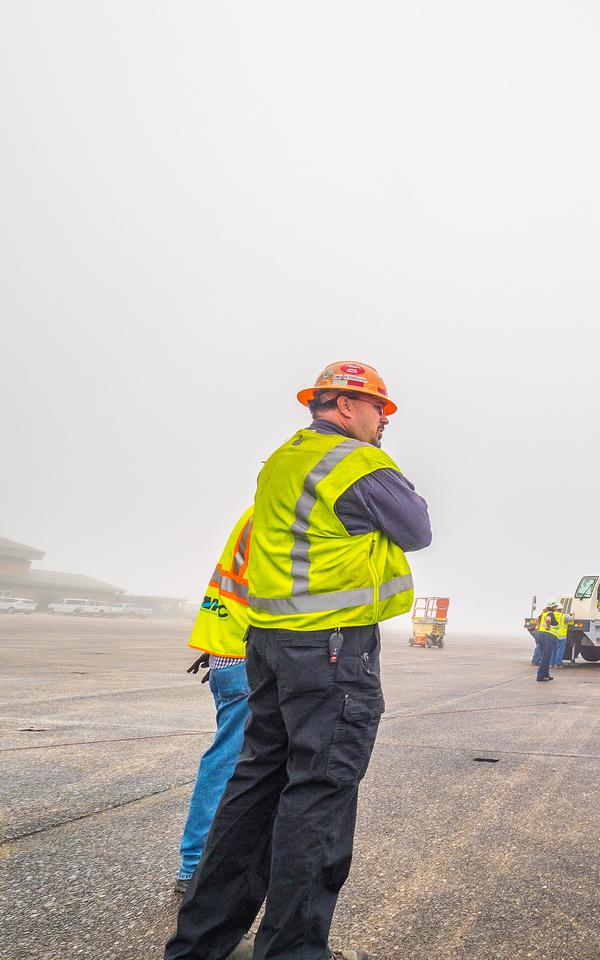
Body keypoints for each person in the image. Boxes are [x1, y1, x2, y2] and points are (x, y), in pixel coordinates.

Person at [166, 361, 432, 960]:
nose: (384, 421)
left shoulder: (281, 462)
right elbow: (416, 528)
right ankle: (292, 952)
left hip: (268, 645)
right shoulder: (356, 463)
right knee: (321, 794)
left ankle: (199, 943)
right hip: (332, 652)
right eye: (377, 409)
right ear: (343, 406)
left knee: (254, 787)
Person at [175, 507, 254, 896]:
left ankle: (198, 863)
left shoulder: (252, 515)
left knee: (229, 759)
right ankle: (194, 866)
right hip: (245, 658)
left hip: (226, 654)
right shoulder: (277, 516)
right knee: (229, 762)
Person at [534, 601, 564, 681]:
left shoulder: (544, 613)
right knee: (546, 657)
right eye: (555, 606)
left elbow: (537, 619)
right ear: (552, 607)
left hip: (540, 635)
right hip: (548, 636)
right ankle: (540, 677)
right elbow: (548, 619)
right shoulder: (550, 614)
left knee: (546, 656)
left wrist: (538, 626)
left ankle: (546, 674)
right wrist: (547, 626)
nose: (556, 608)